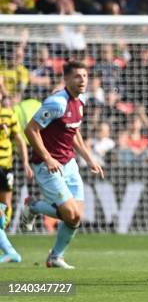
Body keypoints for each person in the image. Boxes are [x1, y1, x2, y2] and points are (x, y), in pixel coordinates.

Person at [20, 61, 105, 269]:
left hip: (69, 163)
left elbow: (73, 131)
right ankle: (33, 206)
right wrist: (48, 157)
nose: (82, 80)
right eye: (77, 76)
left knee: (76, 217)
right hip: (47, 165)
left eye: (85, 76)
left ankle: (55, 257)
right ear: (66, 79)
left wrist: (89, 158)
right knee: (69, 213)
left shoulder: (81, 101)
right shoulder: (56, 103)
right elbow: (30, 130)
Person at [0, 90, 32, 263]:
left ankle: (5, 242)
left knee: (5, 204)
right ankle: (8, 248)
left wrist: (25, 161)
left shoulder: (9, 114)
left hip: (5, 166)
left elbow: (19, 139)